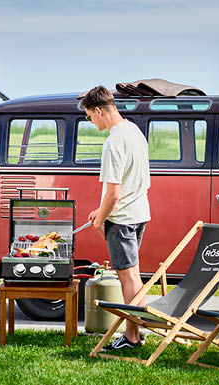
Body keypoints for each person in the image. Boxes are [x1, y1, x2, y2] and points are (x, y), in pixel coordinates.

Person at [83, 86, 151, 350]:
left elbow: (113, 193)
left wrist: (100, 220)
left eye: (90, 116)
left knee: (128, 278)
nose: (91, 122)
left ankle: (133, 336)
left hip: (121, 219)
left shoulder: (113, 142)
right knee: (133, 274)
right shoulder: (134, 131)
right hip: (138, 213)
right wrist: (100, 211)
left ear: (98, 110)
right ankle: (136, 332)